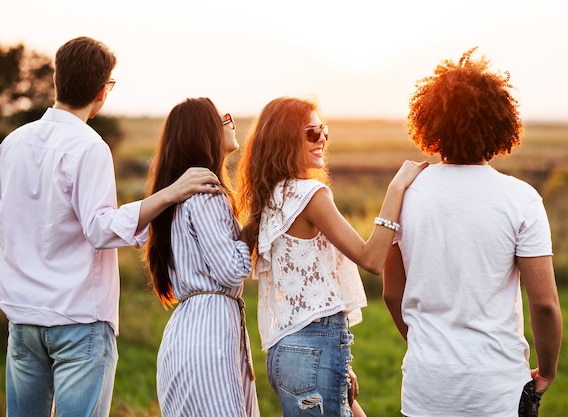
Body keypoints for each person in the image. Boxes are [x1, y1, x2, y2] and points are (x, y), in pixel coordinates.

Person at [0, 37, 218, 417]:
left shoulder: (13, 144)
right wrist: (168, 195)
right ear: (103, 91)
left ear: (57, 80)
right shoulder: (89, 146)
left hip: (22, 321)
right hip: (78, 321)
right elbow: (100, 229)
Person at [382, 48, 563, 417]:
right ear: (500, 124)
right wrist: (547, 371)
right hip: (497, 389)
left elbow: (391, 293)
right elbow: (544, 305)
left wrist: (427, 346)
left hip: (425, 386)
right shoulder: (521, 199)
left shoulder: (405, 193)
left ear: (429, 123)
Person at [237, 96, 428, 417]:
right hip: (314, 346)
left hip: (287, 351)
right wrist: (396, 189)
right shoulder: (310, 195)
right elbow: (371, 258)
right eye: (312, 132)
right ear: (286, 139)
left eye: (324, 129)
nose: (323, 138)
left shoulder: (272, 196)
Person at [144, 97, 260, 417]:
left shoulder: (182, 195)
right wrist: (252, 226)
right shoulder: (207, 191)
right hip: (208, 340)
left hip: (188, 334)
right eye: (223, 117)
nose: (231, 121)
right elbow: (232, 270)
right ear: (203, 132)